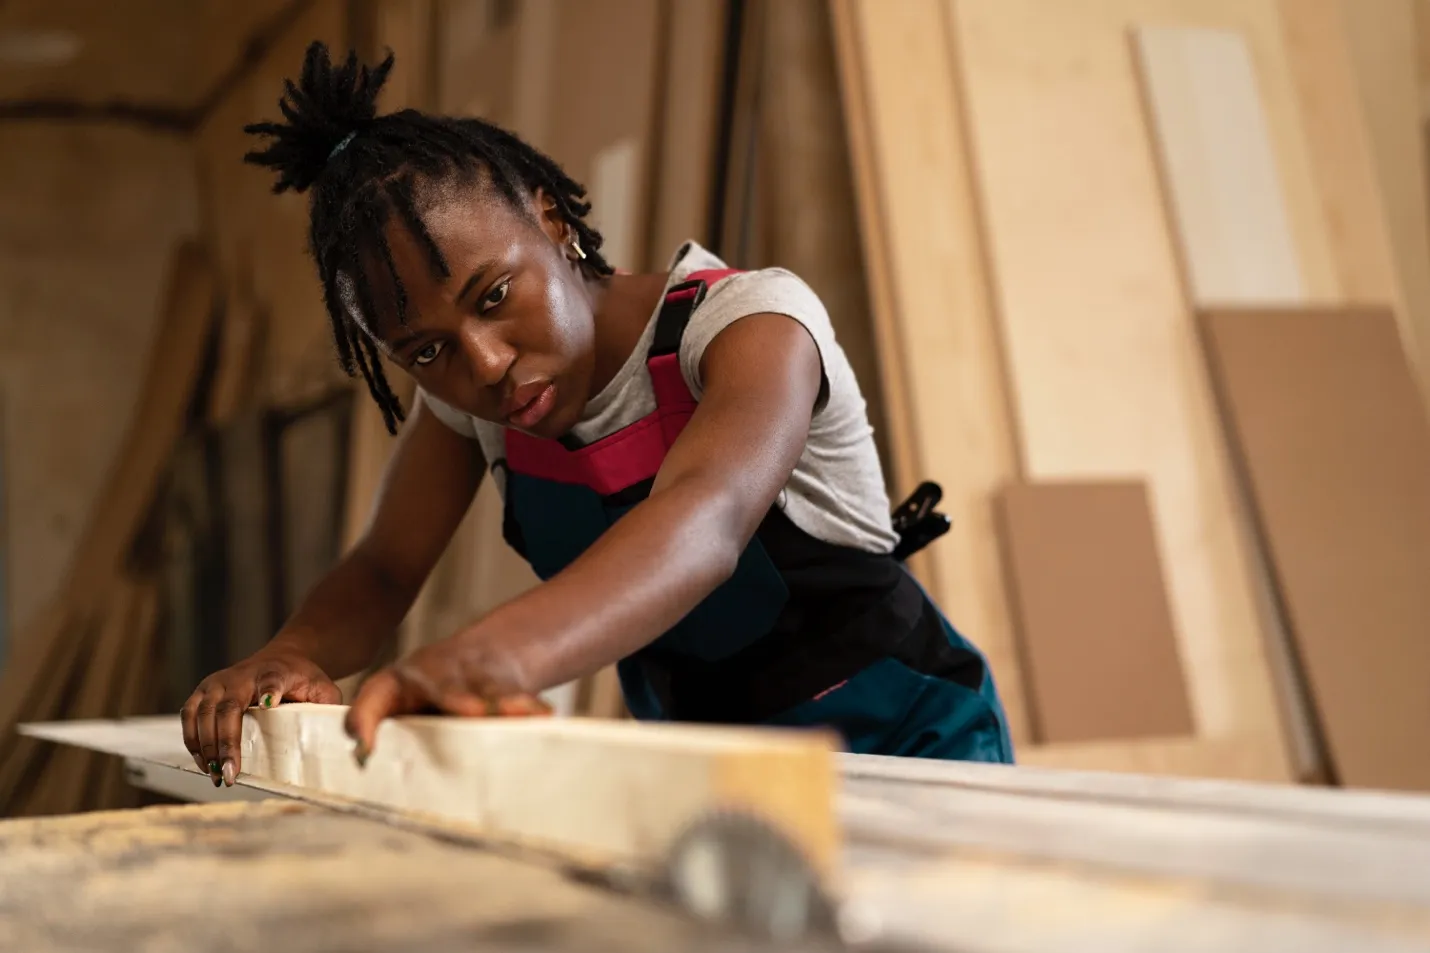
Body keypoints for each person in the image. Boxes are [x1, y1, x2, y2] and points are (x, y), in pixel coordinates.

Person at [180, 41, 1013, 787]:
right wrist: (288, 655)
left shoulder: (750, 327)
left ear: (550, 217)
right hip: (713, 779)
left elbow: (705, 521)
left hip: (916, 755)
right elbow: (384, 571)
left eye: (496, 295)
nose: (487, 364)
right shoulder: (471, 407)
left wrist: (493, 656)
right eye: (424, 351)